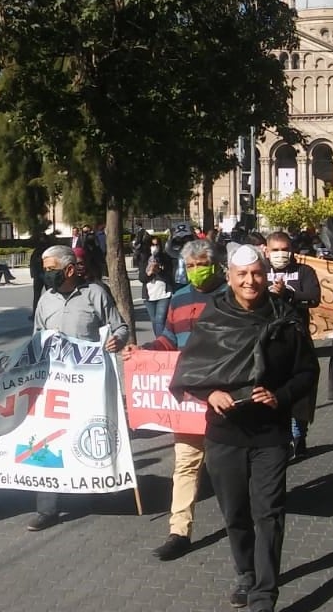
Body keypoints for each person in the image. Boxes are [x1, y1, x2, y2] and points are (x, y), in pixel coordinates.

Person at [169, 245, 317, 612]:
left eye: (257, 273)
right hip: (224, 433)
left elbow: (308, 371)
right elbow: (191, 370)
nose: (251, 281)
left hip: (271, 434)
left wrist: (280, 396)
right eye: (243, 275)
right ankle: (246, 575)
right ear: (230, 277)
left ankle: (265, 594)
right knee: (235, 513)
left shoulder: (286, 319)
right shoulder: (213, 316)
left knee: (268, 513)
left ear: (266, 275)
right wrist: (210, 392)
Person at [122, 239, 226, 562]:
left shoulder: (232, 296)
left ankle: (243, 523)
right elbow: (169, 339)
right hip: (190, 399)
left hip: (226, 397)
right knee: (185, 464)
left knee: (228, 468)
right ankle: (179, 531)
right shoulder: (179, 298)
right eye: (190, 265)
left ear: (216, 263)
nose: (196, 270)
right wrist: (144, 352)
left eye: (201, 263)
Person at [29, 245, 129, 532]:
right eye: (44, 269)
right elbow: (36, 337)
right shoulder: (45, 301)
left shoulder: (96, 294)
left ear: (69, 269)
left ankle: (98, 493)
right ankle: (47, 509)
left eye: (50, 269)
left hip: (88, 385)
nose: (46, 275)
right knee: (47, 442)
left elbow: (119, 327)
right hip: (53, 385)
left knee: (91, 436)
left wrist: (117, 341)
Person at [264, 231, 321, 459]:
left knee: (300, 390)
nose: (280, 254)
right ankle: (281, 436)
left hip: (298, 338)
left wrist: (288, 293)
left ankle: (299, 435)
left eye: (284, 249)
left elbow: (314, 297)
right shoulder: (259, 272)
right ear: (266, 251)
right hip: (268, 341)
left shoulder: (303, 272)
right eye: (275, 250)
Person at [138, 235, 174, 338]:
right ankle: (159, 340)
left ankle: (161, 342)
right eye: (152, 245)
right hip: (149, 295)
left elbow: (169, 276)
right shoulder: (144, 259)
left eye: (157, 245)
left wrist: (158, 270)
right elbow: (142, 278)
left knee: (160, 319)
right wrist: (150, 273)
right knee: (154, 320)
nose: (154, 247)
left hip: (164, 293)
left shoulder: (165, 258)